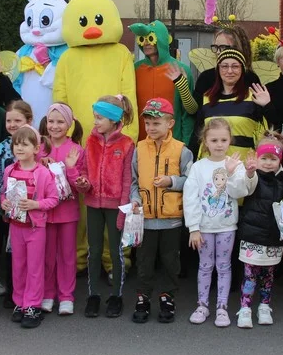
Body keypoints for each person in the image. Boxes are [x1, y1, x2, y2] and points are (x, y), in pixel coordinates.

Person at [184, 118, 256, 327]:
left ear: (229, 140)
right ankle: (202, 305)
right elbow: (190, 198)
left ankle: (222, 307)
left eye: (223, 140)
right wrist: (194, 228)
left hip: (226, 227)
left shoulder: (235, 164)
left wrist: (233, 173)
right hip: (204, 228)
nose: (219, 144)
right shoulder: (198, 167)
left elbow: (239, 192)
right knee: (205, 266)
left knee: (224, 266)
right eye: (214, 140)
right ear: (205, 141)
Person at [128, 98, 193, 324]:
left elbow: (190, 181)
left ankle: (167, 297)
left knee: (170, 262)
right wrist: (135, 199)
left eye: (156, 123)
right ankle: (143, 297)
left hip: (171, 219)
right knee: (144, 262)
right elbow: (133, 181)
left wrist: (171, 181)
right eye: (147, 123)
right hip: (145, 219)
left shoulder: (182, 150)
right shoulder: (139, 149)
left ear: (170, 123)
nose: (151, 128)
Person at [80, 94, 135, 319]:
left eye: (99, 118)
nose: (95, 122)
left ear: (113, 120)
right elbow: (84, 170)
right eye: (94, 117)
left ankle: (116, 296)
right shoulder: (90, 141)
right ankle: (93, 295)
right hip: (93, 204)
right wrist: (83, 183)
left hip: (115, 207)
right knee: (93, 251)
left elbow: (127, 180)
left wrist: (123, 210)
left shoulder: (127, 144)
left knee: (115, 251)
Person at [0, 127, 60, 329]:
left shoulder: (43, 173)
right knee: (18, 266)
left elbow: (54, 199)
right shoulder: (9, 170)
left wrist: (36, 204)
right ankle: (20, 302)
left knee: (35, 267)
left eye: (25, 144)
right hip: (16, 226)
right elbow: (3, 193)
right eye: (16, 144)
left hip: (35, 228)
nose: (19, 148)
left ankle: (33, 305)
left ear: (36, 149)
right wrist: (4, 202)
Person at [235, 134, 283, 329]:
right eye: (264, 158)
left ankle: (264, 306)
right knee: (249, 275)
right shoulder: (254, 177)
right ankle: (245, 308)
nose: (268, 163)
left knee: (268, 275)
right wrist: (249, 172)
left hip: (273, 238)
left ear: (280, 161)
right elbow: (246, 185)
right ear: (256, 157)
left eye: (273, 159)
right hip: (252, 236)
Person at [38, 103, 88, 316]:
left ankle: (66, 296)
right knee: (47, 256)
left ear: (69, 124)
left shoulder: (76, 149)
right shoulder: (39, 147)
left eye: (60, 122)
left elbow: (81, 187)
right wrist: (40, 163)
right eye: (51, 121)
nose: (55, 126)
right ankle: (48, 293)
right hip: (44, 213)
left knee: (67, 255)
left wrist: (71, 168)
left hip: (68, 213)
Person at [0, 100, 34, 304]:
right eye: (9, 121)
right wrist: (1, 201)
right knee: (10, 250)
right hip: (7, 208)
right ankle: (12, 292)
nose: (13, 125)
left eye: (18, 120)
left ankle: (30, 291)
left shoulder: (37, 146)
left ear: (29, 121)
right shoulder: (2, 147)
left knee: (27, 252)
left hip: (30, 209)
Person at [190, 49, 269, 159]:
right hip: (212, 165)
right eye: (224, 66)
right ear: (218, 70)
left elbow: (268, 132)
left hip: (243, 164)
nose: (230, 71)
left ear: (242, 70)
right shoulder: (207, 98)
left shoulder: (254, 97)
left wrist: (267, 106)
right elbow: (198, 134)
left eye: (235, 66)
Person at [190, 25, 260, 112]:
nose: (218, 52)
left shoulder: (250, 78)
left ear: (237, 48)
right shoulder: (206, 78)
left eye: (223, 47)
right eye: (216, 47)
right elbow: (195, 111)